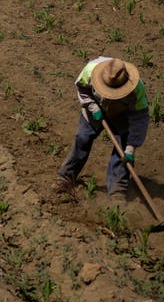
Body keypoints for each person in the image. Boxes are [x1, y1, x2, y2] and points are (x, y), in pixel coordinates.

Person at [55, 57, 150, 201]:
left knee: (122, 152)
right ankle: (65, 177)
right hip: (95, 107)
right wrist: (92, 107)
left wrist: (131, 148)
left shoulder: (136, 89)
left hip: (122, 115)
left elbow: (140, 119)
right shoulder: (91, 70)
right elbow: (82, 88)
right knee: (83, 138)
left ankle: (117, 190)